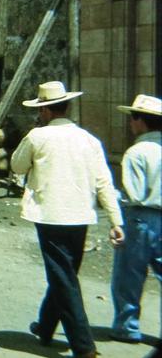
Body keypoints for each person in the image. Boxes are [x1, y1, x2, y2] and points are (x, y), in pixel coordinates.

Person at [10, 80, 124, 358]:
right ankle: (46, 326)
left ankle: (84, 346)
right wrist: (115, 220)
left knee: (63, 277)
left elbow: (17, 165)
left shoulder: (37, 137)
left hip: (50, 215)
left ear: (46, 111)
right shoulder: (89, 140)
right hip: (81, 215)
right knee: (65, 274)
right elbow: (103, 182)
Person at [110, 94, 161, 344]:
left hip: (140, 218)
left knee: (129, 275)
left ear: (140, 121)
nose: (131, 123)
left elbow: (134, 193)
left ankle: (127, 326)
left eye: (133, 118)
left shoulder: (136, 152)